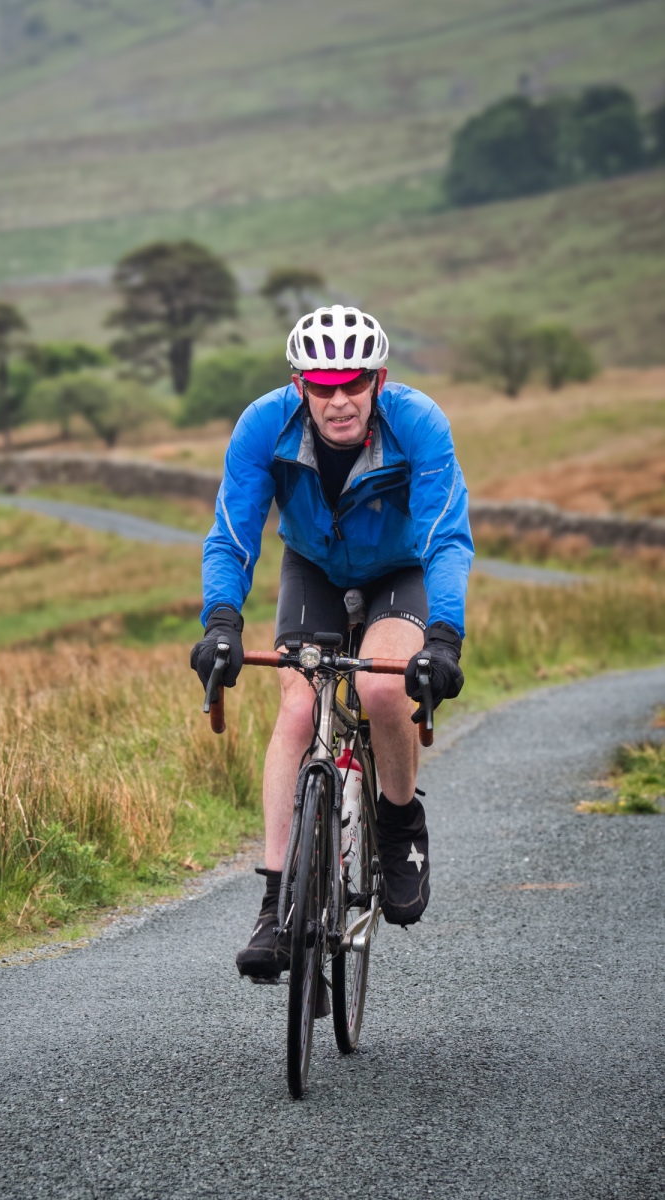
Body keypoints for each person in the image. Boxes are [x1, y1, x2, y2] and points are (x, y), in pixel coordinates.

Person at [191, 305, 474, 978]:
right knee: (296, 708)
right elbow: (232, 533)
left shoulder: (419, 423)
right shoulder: (263, 426)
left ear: (380, 380)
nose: (339, 400)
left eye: (354, 383)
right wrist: (222, 622)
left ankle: (399, 822)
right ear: (300, 387)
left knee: (381, 687)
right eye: (323, 386)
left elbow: (445, 536)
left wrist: (443, 638)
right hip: (313, 567)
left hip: (399, 571)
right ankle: (274, 904)